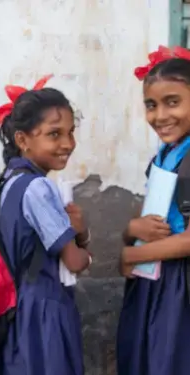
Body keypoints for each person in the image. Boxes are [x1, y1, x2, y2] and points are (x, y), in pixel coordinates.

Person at [0, 76, 92, 375]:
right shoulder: (38, 189)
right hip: (45, 310)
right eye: (54, 134)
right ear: (22, 139)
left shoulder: (9, 182)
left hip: (20, 308)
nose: (67, 144)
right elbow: (74, 261)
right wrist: (83, 237)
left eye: (70, 133)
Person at [117, 46, 190, 375]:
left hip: (180, 286)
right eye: (151, 105)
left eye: (172, 102)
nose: (160, 116)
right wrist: (132, 230)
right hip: (158, 280)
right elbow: (150, 215)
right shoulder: (166, 154)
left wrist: (129, 256)